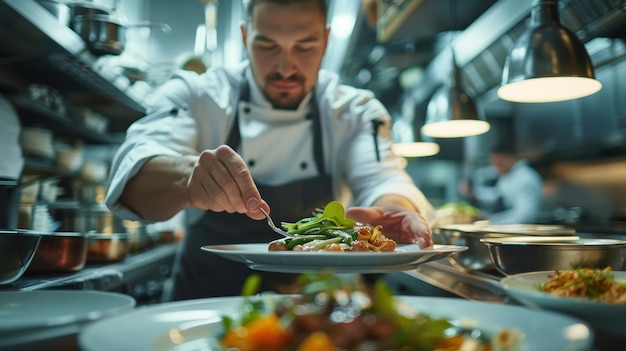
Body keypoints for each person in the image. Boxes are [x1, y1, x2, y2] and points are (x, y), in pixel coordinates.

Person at [104, 0, 435, 300]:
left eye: (304, 46)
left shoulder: (354, 110)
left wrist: (396, 209)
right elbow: (133, 173)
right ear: (246, 37)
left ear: (325, 40)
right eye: (267, 45)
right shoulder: (197, 94)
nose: (286, 67)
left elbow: (382, 179)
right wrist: (188, 177)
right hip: (203, 306)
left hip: (312, 308)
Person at [463, 143, 543, 225]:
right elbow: (497, 195)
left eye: (498, 164)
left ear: (510, 158)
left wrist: (490, 221)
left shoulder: (525, 179)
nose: (495, 169)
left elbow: (524, 217)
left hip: (524, 232)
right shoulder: (507, 175)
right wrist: (474, 193)